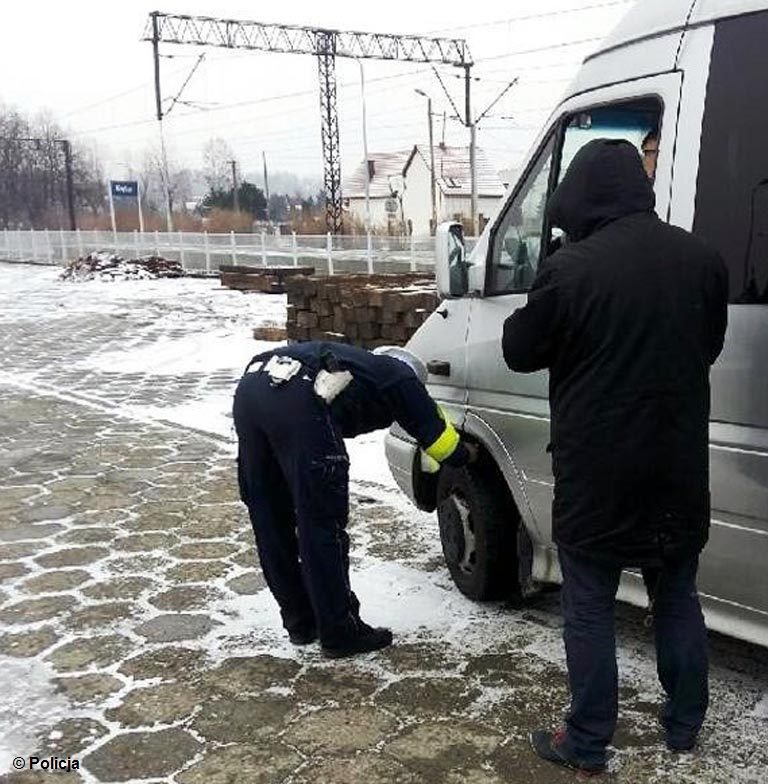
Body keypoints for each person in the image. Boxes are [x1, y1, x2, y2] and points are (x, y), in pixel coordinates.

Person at [502, 138, 728, 775]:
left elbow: (520, 348)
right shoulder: (702, 260)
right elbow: (708, 345)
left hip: (597, 473)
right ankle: (683, 725)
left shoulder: (571, 269)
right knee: (677, 596)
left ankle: (588, 740)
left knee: (591, 606)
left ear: (581, 195)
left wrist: (549, 274)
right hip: (678, 467)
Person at [232, 341, 474, 658]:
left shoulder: (356, 366)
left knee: (270, 519)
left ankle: (300, 623)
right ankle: (339, 632)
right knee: (320, 525)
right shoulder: (401, 378)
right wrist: (465, 455)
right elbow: (438, 438)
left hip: (252, 388)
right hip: (299, 399)